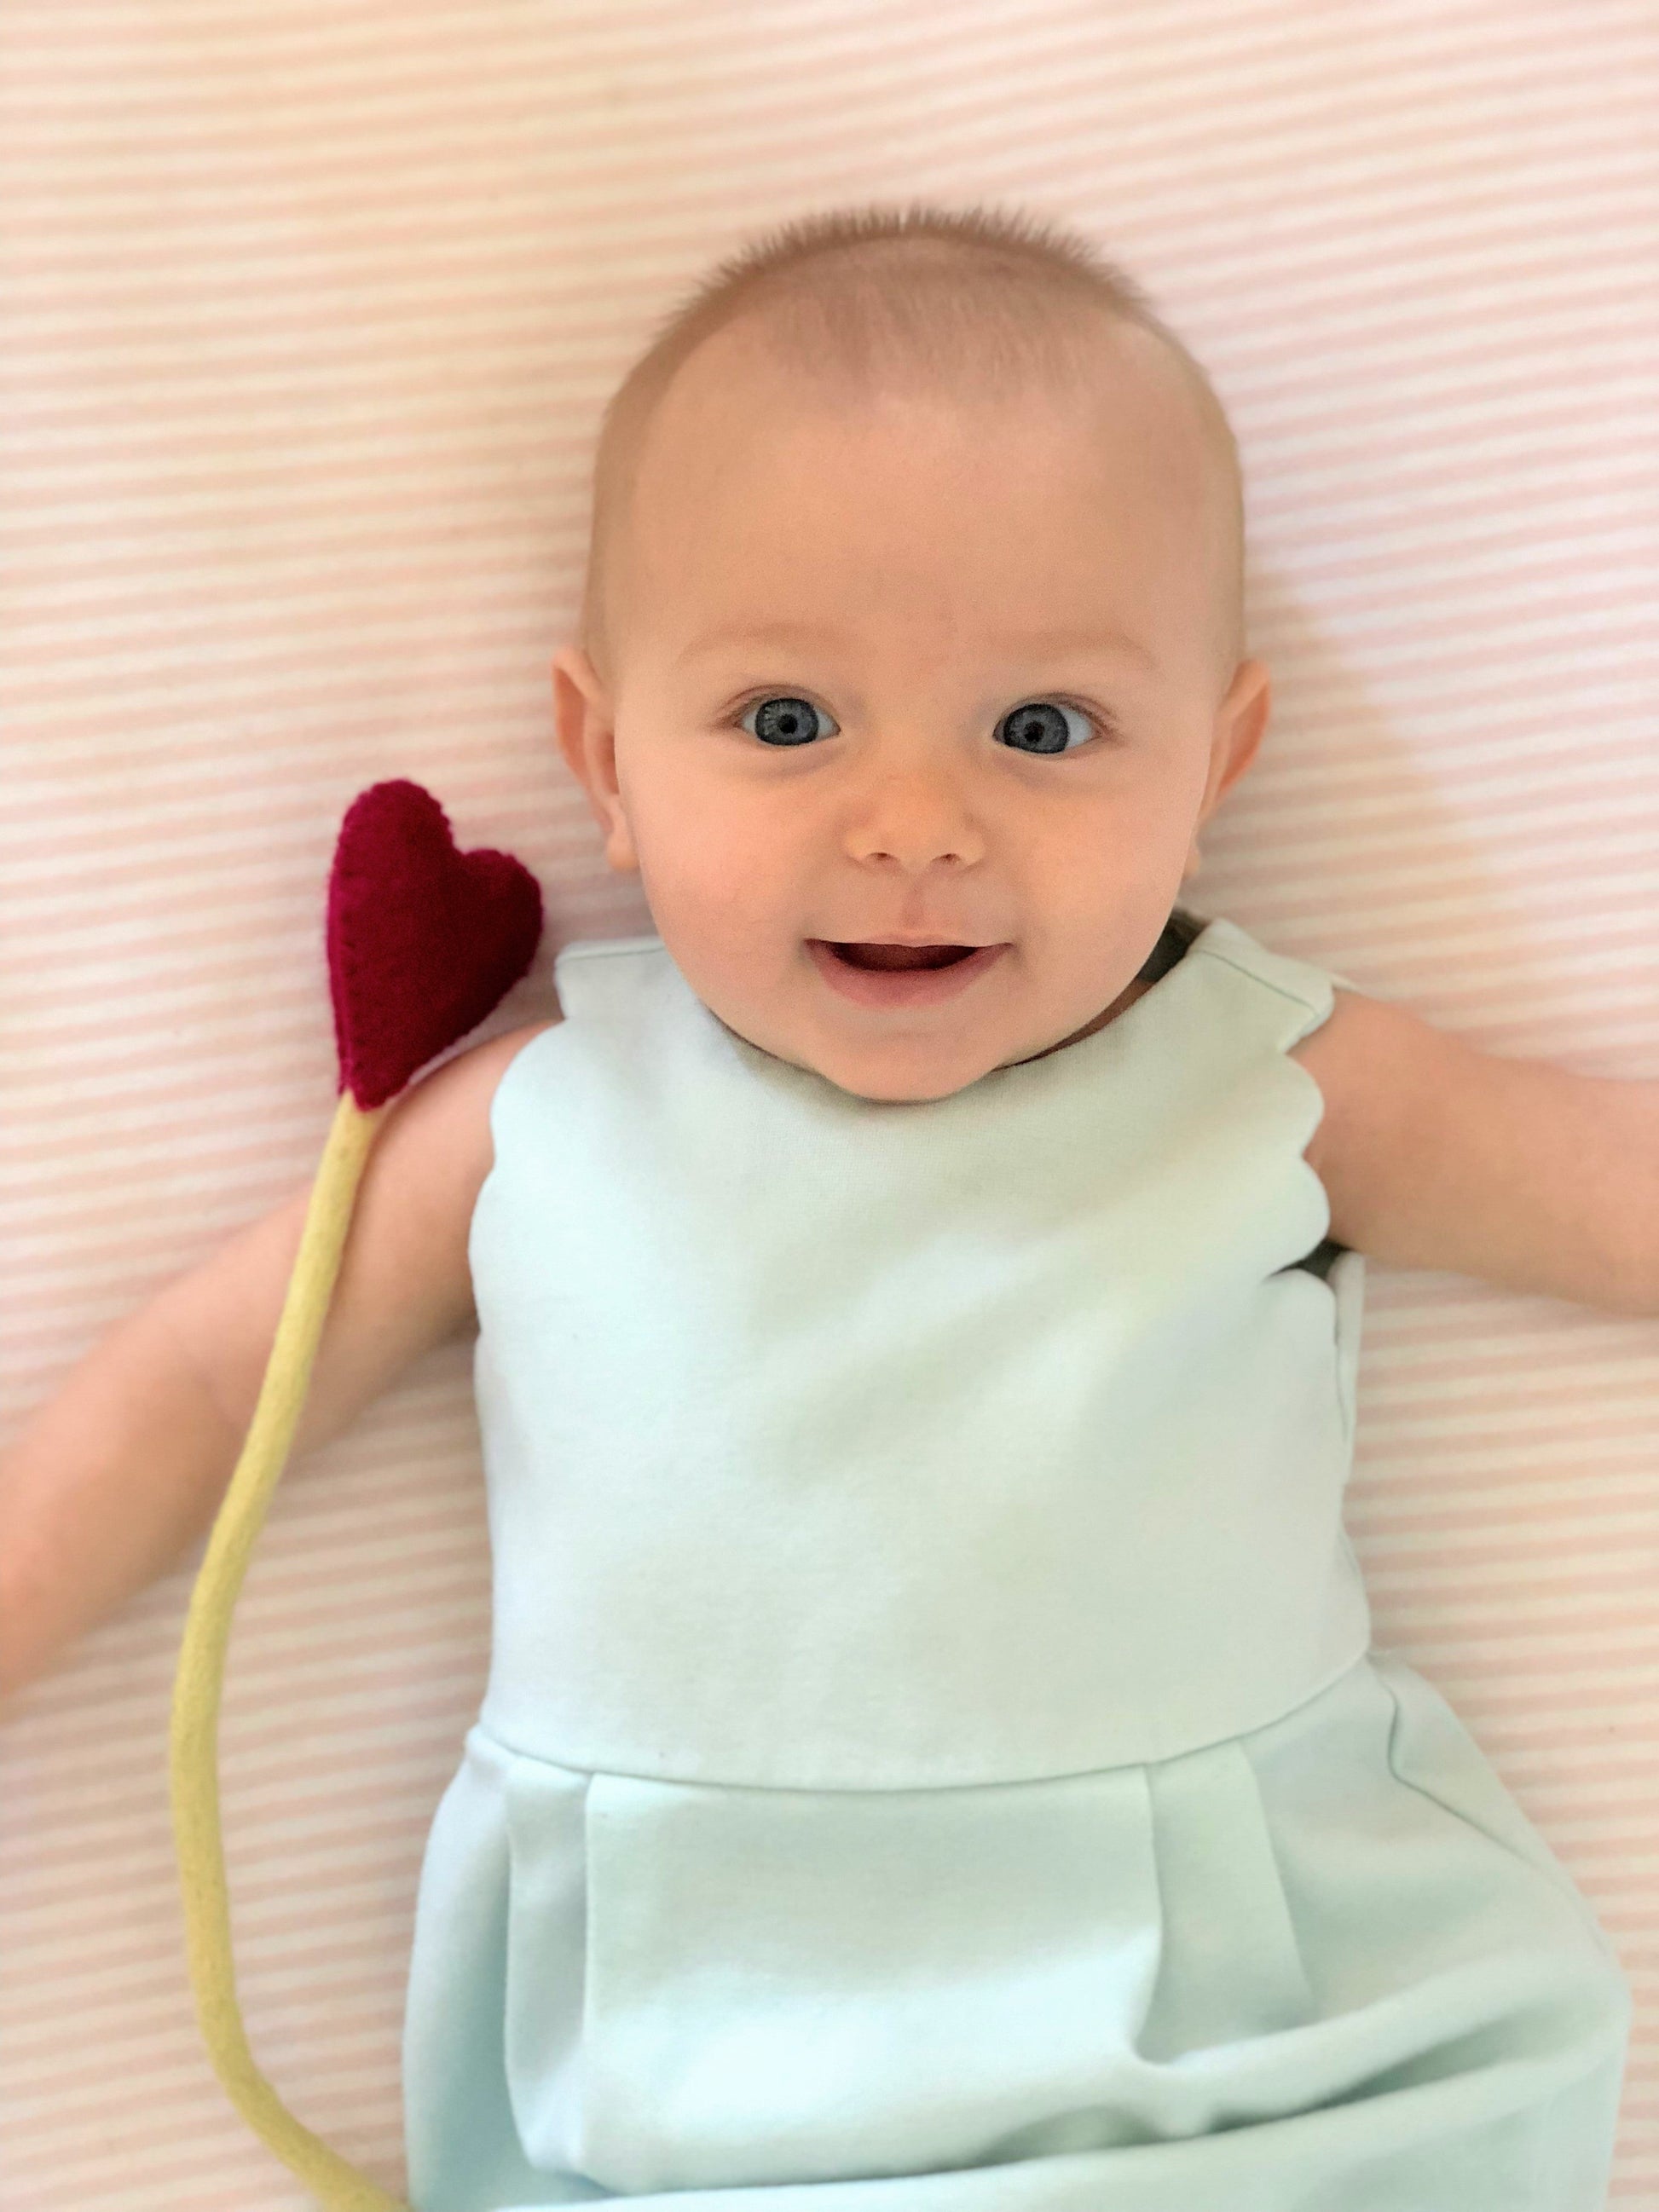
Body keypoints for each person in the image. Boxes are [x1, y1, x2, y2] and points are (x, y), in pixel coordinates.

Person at [2, 202, 1647, 2209]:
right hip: (702, 2068)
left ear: (1211, 766)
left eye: (1044, 731)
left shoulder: (1271, 1082)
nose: (915, 825)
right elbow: (198, 1386)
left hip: (1246, 2049)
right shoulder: (533, 1126)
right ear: (604, 762)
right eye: (786, 722)